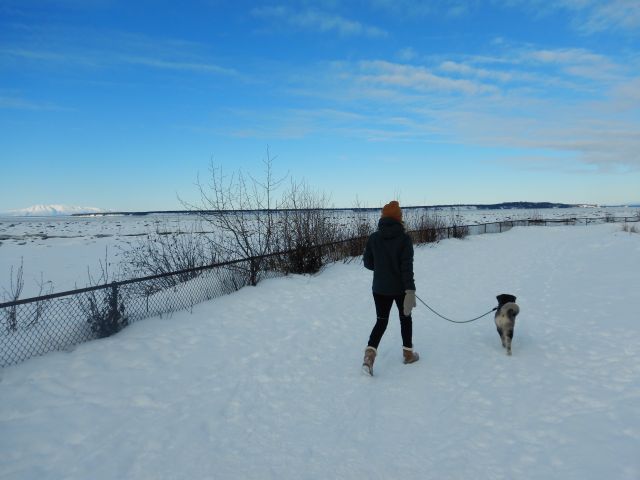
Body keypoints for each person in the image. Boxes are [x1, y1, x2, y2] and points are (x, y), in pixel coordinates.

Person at [362, 200, 419, 375]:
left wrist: (382, 269)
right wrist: (410, 291)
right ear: (398, 218)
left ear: (383, 218)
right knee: (405, 318)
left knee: (381, 321)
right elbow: (406, 267)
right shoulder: (404, 239)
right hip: (400, 289)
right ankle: (408, 354)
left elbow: (368, 263)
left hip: (379, 288)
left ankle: (369, 357)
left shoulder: (374, 237)